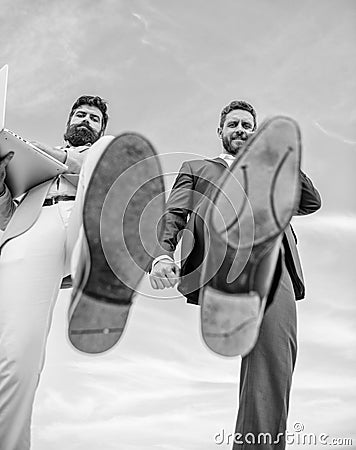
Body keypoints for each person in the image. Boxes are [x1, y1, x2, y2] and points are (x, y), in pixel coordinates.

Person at [149, 101, 321, 449]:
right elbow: (176, 211)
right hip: (224, 255)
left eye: (247, 126)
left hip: (275, 262)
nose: (241, 130)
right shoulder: (197, 168)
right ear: (221, 132)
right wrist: (163, 254)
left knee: (275, 359)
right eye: (233, 125)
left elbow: (310, 201)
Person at [0, 95, 112, 449]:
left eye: (94, 118)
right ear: (68, 122)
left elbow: (88, 163)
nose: (85, 120)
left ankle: (98, 272)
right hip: (36, 227)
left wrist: (47, 153)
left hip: (87, 223)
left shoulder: (97, 154)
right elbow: (5, 216)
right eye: (80, 115)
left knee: (110, 150)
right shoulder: (35, 164)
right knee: (18, 355)